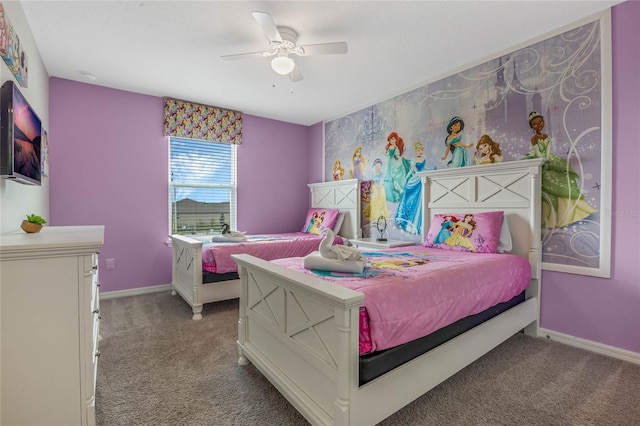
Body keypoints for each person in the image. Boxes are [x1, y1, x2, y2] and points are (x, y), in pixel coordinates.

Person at [523, 111, 597, 228]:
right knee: (545, 180)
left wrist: (547, 159)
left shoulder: (545, 136)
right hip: (538, 158)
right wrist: (542, 160)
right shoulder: (534, 139)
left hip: (546, 158)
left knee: (562, 173)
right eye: (535, 124)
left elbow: (547, 150)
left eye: (541, 122)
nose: (539, 125)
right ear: (532, 127)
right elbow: (537, 152)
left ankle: (570, 210)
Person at [395, 141, 434, 234]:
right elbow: (412, 170)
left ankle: (419, 224)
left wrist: (431, 170)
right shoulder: (414, 160)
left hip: (422, 178)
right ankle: (409, 219)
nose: (420, 151)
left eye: (421, 150)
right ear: (416, 151)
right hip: (417, 178)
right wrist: (406, 178)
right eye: (418, 150)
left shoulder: (424, 158)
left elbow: (424, 168)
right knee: (412, 195)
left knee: (421, 199)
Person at [383, 132, 411, 202]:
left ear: (396, 139)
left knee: (397, 176)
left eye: (393, 139)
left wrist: (401, 155)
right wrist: (383, 152)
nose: (391, 141)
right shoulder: (391, 147)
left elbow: (397, 155)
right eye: (390, 139)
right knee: (393, 176)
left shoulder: (395, 147)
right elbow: (388, 154)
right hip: (392, 162)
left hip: (394, 162)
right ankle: (396, 193)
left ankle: (400, 192)